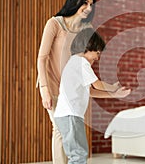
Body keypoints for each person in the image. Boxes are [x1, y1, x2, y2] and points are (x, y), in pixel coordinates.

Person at [37, 0, 97, 163]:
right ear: (75, 2)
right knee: (59, 128)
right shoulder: (55, 23)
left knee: (70, 129)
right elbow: (42, 58)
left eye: (91, 4)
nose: (89, 8)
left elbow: (86, 59)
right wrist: (44, 89)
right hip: (51, 82)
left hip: (71, 87)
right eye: (85, 3)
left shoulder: (87, 29)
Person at [54, 28, 131, 164]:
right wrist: (113, 88)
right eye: (97, 52)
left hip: (65, 116)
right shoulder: (81, 62)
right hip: (70, 115)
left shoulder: (73, 62)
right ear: (88, 46)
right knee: (79, 155)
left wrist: (114, 95)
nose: (98, 56)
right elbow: (98, 85)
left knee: (76, 154)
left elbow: (91, 91)